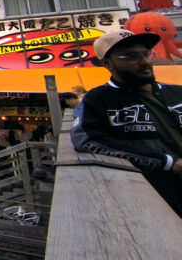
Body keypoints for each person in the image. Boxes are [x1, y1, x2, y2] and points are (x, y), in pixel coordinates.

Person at [72, 29, 182, 218]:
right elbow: (87, 140)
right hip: (155, 195)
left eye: (146, 54)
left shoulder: (177, 92)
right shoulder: (98, 99)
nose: (145, 62)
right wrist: (165, 162)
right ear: (107, 63)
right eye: (131, 57)